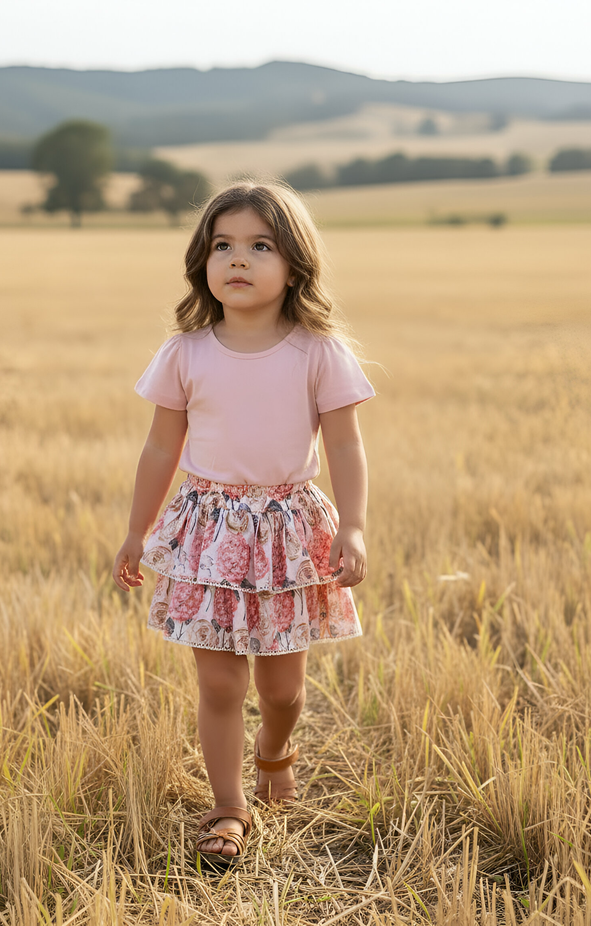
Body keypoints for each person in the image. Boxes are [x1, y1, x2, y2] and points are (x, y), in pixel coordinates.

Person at [112, 182, 374, 870]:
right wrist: (137, 531)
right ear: (202, 260)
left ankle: (274, 751)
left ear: (294, 264)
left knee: (281, 691)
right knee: (222, 685)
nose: (238, 258)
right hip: (209, 533)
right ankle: (229, 806)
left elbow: (345, 445)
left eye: (260, 245)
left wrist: (353, 527)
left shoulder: (318, 351)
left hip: (289, 534)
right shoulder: (186, 352)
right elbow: (160, 448)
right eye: (222, 245)